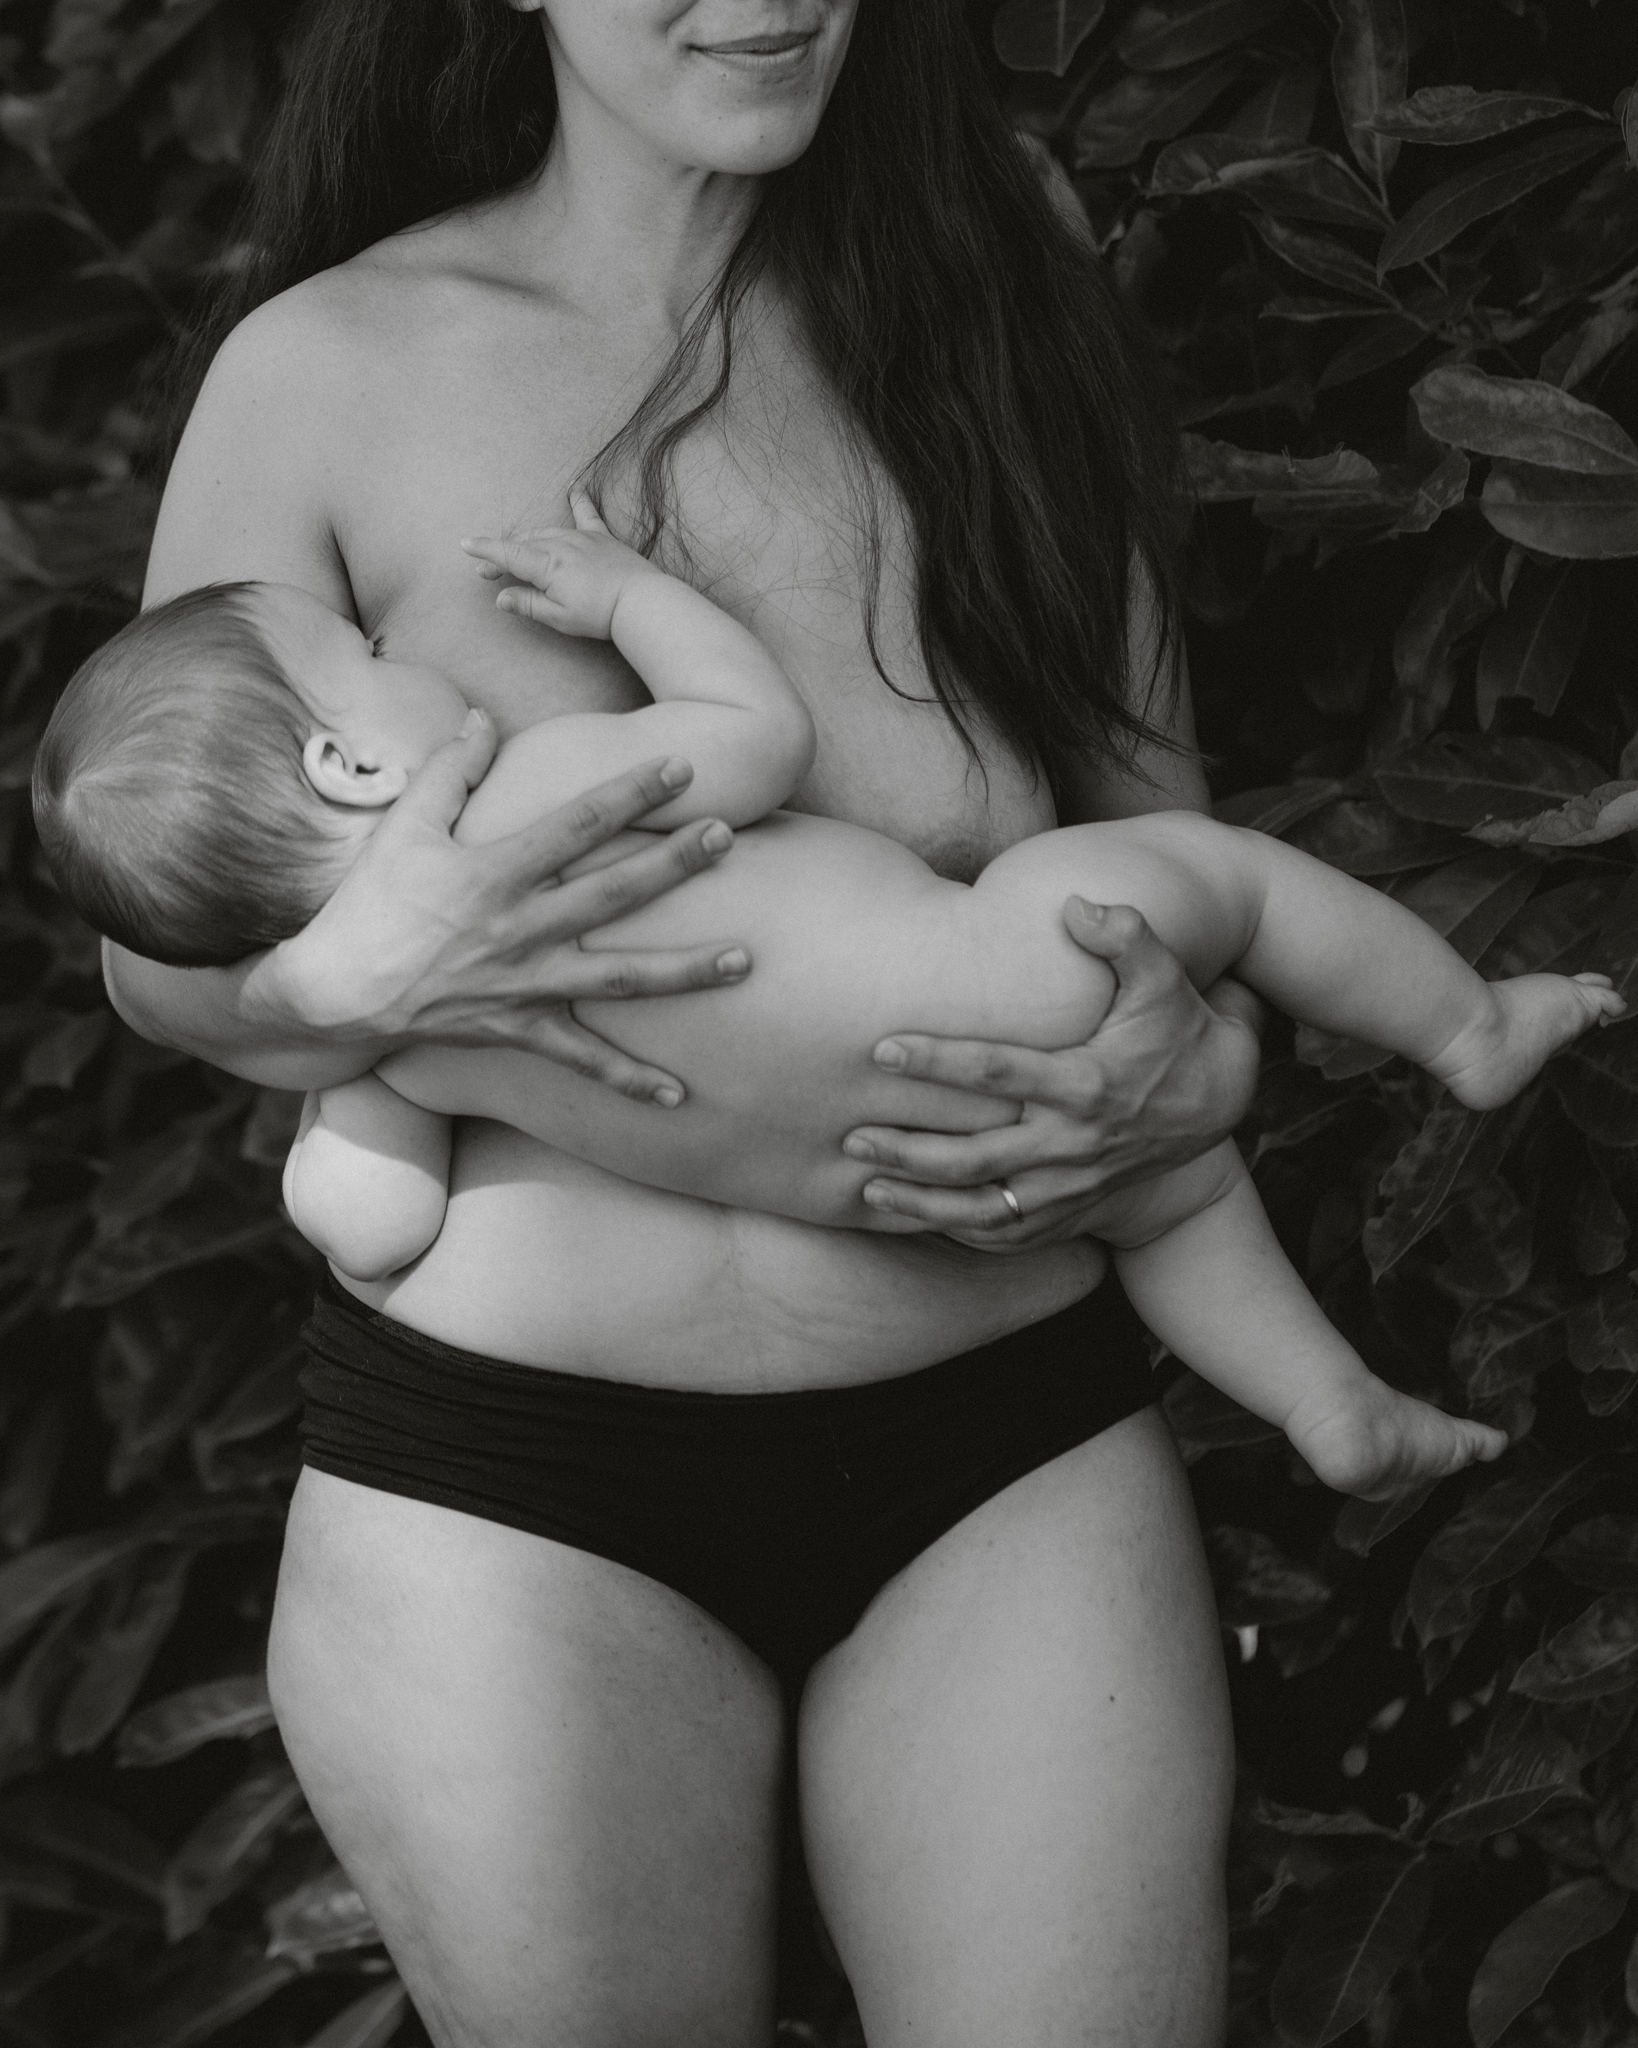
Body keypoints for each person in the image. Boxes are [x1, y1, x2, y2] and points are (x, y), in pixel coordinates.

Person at [101, 3, 1290, 2042]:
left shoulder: (992, 304)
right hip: (514, 1500)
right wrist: (351, 985)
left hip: (1005, 1451)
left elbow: (1168, 858)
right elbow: (155, 940)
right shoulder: (328, 368)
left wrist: (1199, 1070)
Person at [44, 509, 1617, 1496]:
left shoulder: (397, 1056)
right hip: (1017, 971)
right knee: (1226, 877)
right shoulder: (543, 785)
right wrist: (625, 600)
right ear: (351, 760)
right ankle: (1466, 1031)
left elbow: (368, 1223)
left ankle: (1324, 1406)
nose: (399, 644)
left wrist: (342, 1059)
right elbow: (754, 733)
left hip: (900, 1199)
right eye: (366, 648)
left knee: (1165, 1204)